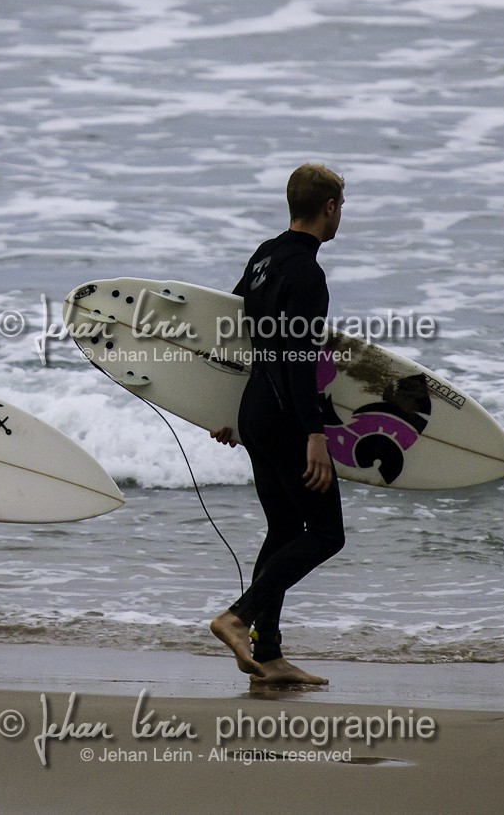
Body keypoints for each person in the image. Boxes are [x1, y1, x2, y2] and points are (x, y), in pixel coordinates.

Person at [209, 164, 346, 685]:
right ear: (329, 207)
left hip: (255, 411)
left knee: (286, 528)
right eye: (341, 206)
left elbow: (230, 335)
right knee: (327, 534)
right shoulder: (308, 275)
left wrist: (222, 411)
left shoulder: (264, 256)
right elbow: (297, 358)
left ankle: (267, 654)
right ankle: (237, 618)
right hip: (287, 418)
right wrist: (315, 434)